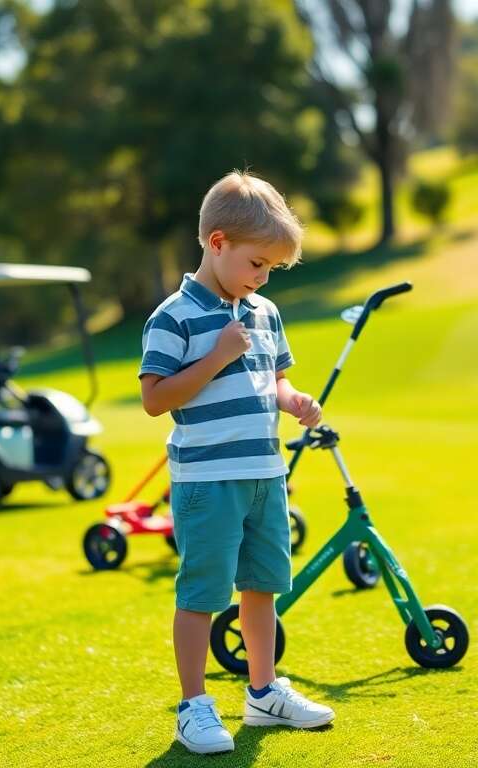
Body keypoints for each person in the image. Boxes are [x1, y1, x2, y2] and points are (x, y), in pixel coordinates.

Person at [139, 171, 336, 755]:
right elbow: (155, 399)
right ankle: (193, 706)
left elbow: (274, 377)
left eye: (272, 269)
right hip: (206, 481)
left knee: (261, 586)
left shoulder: (265, 311)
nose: (263, 277)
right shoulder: (171, 316)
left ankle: (263, 690)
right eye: (257, 263)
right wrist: (218, 357)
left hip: (265, 476)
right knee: (202, 593)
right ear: (217, 243)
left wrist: (293, 399)